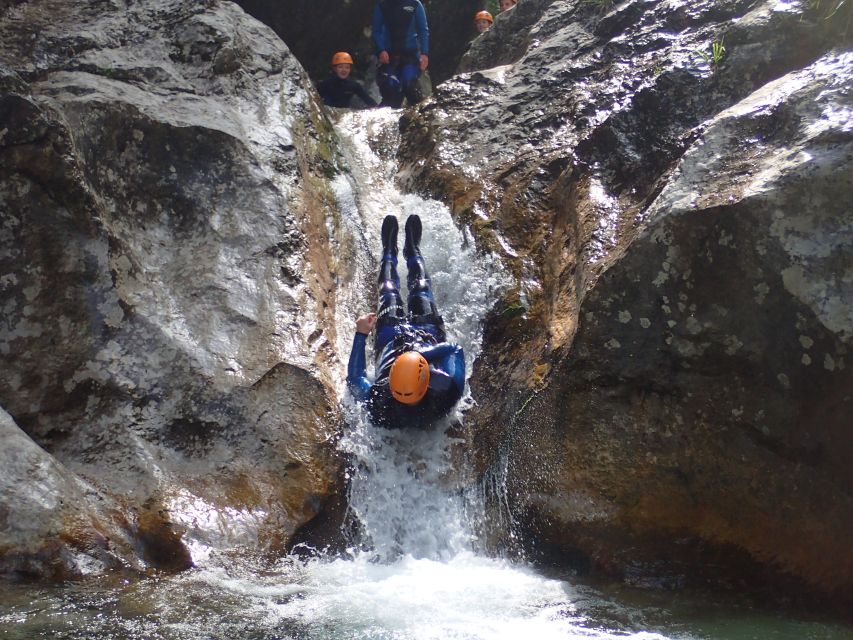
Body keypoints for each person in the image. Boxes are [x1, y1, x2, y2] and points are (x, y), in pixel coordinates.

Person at [347, 214, 466, 429]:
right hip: (428, 334)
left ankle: (389, 251)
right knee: (421, 288)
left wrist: (361, 334)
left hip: (390, 338)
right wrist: (421, 354)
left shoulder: (380, 403)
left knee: (388, 291)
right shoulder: (448, 389)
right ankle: (413, 250)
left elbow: (355, 380)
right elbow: (454, 350)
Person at [372, 0, 430, 108]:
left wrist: (424, 53)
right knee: (390, 92)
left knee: (410, 87)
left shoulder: (415, 4)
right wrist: (381, 50)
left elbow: (423, 30)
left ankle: (421, 120)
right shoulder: (382, 5)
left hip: (410, 56)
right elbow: (376, 31)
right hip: (389, 58)